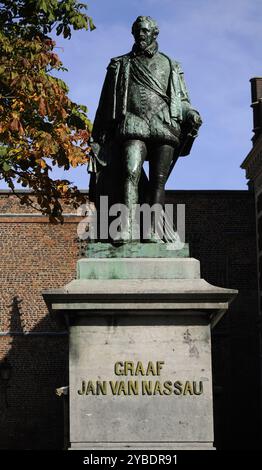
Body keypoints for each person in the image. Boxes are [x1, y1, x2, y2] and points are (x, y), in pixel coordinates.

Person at [89, 16, 202, 242]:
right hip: (133, 124)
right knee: (131, 172)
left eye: (145, 31)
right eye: (137, 31)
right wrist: (98, 137)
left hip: (164, 126)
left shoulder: (171, 65)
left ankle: (151, 230)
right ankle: (127, 227)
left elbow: (182, 101)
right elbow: (104, 104)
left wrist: (192, 114)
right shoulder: (120, 64)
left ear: (154, 33)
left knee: (158, 181)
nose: (141, 35)